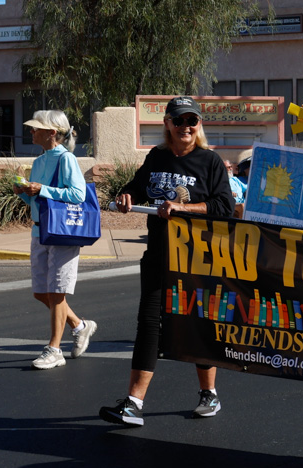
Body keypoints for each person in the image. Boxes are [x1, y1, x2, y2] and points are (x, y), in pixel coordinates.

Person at [100, 96, 234, 427]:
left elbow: (223, 207)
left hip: (198, 259)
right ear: (168, 125)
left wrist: (183, 209)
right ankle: (133, 404)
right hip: (159, 255)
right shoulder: (156, 157)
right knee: (148, 324)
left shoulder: (210, 162)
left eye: (193, 121)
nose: (186, 127)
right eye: (179, 121)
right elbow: (136, 187)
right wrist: (127, 196)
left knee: (198, 324)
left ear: (198, 125)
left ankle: (209, 394)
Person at [13, 110, 97, 369]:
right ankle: (80, 325)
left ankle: (54, 349)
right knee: (41, 293)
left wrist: (41, 189)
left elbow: (77, 195)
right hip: (40, 231)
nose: (31, 131)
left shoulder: (67, 159)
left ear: (51, 133)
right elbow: (39, 201)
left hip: (62, 234)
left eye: (36, 128)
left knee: (56, 293)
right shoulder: (39, 162)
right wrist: (24, 193)